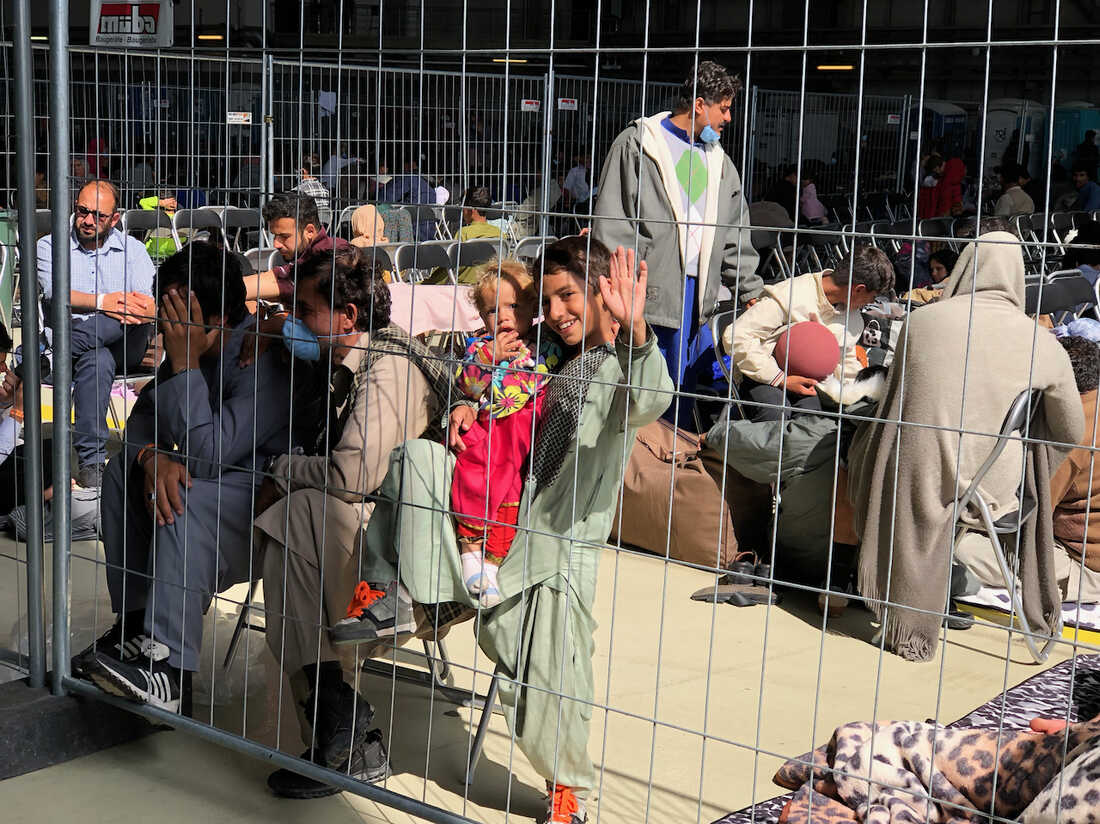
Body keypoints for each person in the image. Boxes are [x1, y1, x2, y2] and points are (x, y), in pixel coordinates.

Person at [334, 237, 673, 824]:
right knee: (417, 460)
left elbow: (651, 399)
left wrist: (638, 330)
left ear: (602, 292)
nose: (559, 312)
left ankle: (567, 790)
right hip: (496, 518)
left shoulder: (619, 365)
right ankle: (392, 596)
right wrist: (464, 405)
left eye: (569, 296)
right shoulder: (544, 356)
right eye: (548, 300)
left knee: (550, 678)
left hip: (555, 548)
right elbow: (493, 402)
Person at [254, 246, 459, 799]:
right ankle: (346, 734)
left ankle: (341, 736)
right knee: (292, 526)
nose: (296, 321)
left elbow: (352, 474)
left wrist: (281, 468)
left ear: (347, 316)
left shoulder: (388, 368)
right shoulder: (343, 361)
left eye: (306, 310)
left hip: (404, 552)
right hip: (356, 528)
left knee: (293, 518)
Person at [848, 228, 1084, 662]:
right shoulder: (1040, 341)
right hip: (994, 484)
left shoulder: (923, 321)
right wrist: (1033, 463)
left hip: (914, 474)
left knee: (860, 442)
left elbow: (896, 398)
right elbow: (1071, 430)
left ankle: (864, 579)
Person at [79, 242, 293, 712]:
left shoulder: (263, 355)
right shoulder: (194, 346)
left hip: (263, 505)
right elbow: (141, 422)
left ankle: (169, 672)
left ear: (217, 318)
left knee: (183, 495)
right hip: (212, 489)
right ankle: (135, 627)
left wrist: (186, 363)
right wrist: (152, 456)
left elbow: (207, 458)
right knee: (123, 471)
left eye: (181, 315)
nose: (167, 328)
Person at [592, 60, 760, 427]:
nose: (728, 118)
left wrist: (749, 288)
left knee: (679, 388)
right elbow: (612, 221)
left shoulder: (720, 162)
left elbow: (734, 232)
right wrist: (618, 289)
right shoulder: (639, 144)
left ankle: (670, 469)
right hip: (644, 290)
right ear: (699, 104)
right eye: (725, 108)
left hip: (698, 295)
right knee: (642, 388)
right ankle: (638, 468)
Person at [957, 336, 1100, 604]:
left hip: (1080, 565)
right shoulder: (1091, 407)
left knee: (954, 546)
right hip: (1075, 547)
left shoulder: (1071, 435)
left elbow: (1027, 512)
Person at [451, 261, 560, 607]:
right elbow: (466, 385)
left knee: (511, 497)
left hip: (525, 434)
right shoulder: (479, 347)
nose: (503, 316)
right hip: (491, 427)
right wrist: (488, 358)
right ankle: (470, 549)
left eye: (513, 306)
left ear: (532, 308)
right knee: (474, 477)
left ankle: (492, 564)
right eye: (492, 310)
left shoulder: (546, 343)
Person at [37, 179, 157, 489]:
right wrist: (106, 301)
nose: (88, 220)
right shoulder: (50, 246)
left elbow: (146, 305)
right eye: (82, 211)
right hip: (90, 350)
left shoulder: (133, 249)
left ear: (115, 218)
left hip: (123, 341)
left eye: (98, 216)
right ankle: (91, 462)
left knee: (118, 320)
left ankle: (54, 354)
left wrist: (116, 309)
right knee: (97, 359)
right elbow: (55, 291)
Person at [727, 245, 894, 422]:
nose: (871, 303)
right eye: (873, 296)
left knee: (810, 419)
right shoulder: (792, 294)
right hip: (762, 373)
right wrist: (780, 379)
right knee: (775, 413)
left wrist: (860, 393)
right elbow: (737, 335)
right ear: (858, 289)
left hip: (811, 383)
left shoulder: (853, 318)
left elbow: (845, 360)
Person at [244, 193, 349, 304]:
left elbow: (247, 287)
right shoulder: (341, 245)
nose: (276, 244)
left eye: (284, 236)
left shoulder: (315, 264)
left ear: (309, 231)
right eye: (274, 235)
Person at [378, 157, 436, 240]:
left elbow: (384, 198)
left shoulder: (407, 179)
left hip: (409, 232)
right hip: (428, 232)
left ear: (407, 165)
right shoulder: (429, 183)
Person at [136, 190, 180, 261]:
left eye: (174, 200)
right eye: (170, 200)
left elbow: (143, 202)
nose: (172, 202)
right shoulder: (182, 219)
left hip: (152, 254)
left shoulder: (155, 215)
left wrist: (161, 202)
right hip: (174, 254)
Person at [294, 153, 332, 229]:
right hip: (321, 229)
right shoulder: (325, 190)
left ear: (303, 171)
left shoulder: (298, 191)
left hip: (303, 229)